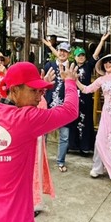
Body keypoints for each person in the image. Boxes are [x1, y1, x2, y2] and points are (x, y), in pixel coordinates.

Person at [0, 61, 79, 222]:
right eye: (34, 91)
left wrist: (37, 87)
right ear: (14, 90)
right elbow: (70, 111)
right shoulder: (26, 119)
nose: (38, 97)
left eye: (41, 91)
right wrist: (70, 82)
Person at [47, 33, 109, 155]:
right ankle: (73, 146)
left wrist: (101, 41)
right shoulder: (71, 66)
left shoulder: (88, 65)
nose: (81, 57)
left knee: (85, 122)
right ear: (73, 57)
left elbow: (95, 54)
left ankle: (85, 147)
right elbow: (61, 56)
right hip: (73, 98)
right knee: (72, 122)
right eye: (78, 55)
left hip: (85, 98)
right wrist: (51, 47)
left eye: (82, 55)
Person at [76, 54, 111, 180]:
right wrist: (75, 80)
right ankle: (97, 168)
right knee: (100, 139)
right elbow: (86, 89)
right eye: (105, 62)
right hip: (106, 113)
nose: (107, 64)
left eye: (110, 62)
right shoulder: (101, 79)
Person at [42, 41, 72, 172]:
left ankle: (60, 161)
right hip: (49, 105)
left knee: (64, 135)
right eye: (60, 50)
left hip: (64, 106)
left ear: (69, 54)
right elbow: (42, 81)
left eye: (65, 51)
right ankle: (42, 159)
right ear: (57, 52)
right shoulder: (50, 65)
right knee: (43, 134)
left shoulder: (71, 68)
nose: (62, 53)